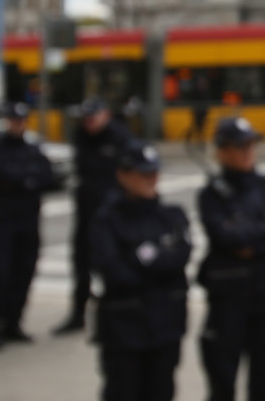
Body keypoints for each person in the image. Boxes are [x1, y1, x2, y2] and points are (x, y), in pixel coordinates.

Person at [197, 116, 265, 401]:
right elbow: (225, 237)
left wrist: (251, 238)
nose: (247, 152)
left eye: (250, 145)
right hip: (230, 300)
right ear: (221, 151)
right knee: (222, 382)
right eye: (239, 146)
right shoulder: (213, 194)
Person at [90, 142, 192, 401]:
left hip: (166, 326)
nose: (151, 179)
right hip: (124, 329)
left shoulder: (172, 216)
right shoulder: (107, 220)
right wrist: (159, 262)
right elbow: (114, 272)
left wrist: (140, 258)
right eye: (143, 173)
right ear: (123, 175)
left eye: (154, 172)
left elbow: (182, 256)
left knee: (162, 391)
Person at [54, 97, 135, 335]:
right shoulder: (81, 136)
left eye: (93, 117)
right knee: (81, 264)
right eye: (86, 119)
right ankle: (78, 314)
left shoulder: (120, 138)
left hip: (113, 214)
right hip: (87, 211)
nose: (89, 123)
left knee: (111, 265)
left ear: (106, 115)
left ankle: (116, 315)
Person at [0, 102, 55, 349]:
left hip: (28, 222)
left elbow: (47, 176)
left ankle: (13, 324)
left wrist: (23, 179)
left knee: (23, 274)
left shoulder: (32, 150)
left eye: (21, 121)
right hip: (1, 224)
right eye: (14, 121)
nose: (18, 125)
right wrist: (25, 179)